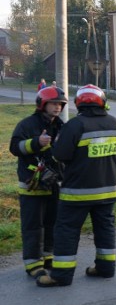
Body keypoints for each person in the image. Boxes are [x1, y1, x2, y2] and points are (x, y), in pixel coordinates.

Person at [35, 84, 116, 288]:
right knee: (105, 229)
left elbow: (60, 155)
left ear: (79, 103)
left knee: (66, 231)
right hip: (107, 191)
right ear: (102, 102)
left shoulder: (75, 126)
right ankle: (105, 268)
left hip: (77, 193)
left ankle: (61, 276)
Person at [9, 86, 66, 278]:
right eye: (53, 103)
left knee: (53, 223)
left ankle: (48, 257)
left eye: (60, 104)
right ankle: (33, 263)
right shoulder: (27, 124)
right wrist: (36, 143)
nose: (57, 107)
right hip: (32, 184)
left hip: (54, 184)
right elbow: (14, 147)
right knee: (33, 226)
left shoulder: (60, 125)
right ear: (43, 104)